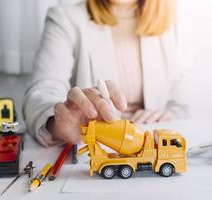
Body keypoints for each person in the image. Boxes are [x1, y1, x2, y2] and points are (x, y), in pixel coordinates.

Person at [23, 0, 189, 147]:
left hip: (147, 146)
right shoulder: (64, 18)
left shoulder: (167, 21)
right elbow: (42, 91)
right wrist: (59, 124)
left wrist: (169, 114)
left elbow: (181, 105)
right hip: (96, 148)